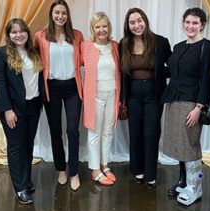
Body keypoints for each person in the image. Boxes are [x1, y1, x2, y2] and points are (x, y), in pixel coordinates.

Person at [161, 8, 210, 205]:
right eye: (187, 22)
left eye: (195, 23)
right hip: (174, 100)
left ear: (202, 25)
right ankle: (183, 180)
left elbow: (207, 80)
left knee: (191, 145)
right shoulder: (178, 46)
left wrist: (199, 107)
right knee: (179, 145)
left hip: (192, 103)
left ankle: (196, 186)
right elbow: (173, 72)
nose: (190, 26)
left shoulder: (207, 47)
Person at [0, 18, 44, 204]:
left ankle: (26, 180)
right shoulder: (1, 54)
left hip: (33, 106)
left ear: (27, 33)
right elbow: (0, 83)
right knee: (16, 146)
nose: (18, 35)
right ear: (9, 35)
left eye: (21, 31)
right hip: (13, 109)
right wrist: (7, 109)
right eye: (14, 32)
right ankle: (20, 188)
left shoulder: (34, 52)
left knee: (28, 145)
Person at [119, 8, 172, 189]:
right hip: (132, 95)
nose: (136, 25)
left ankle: (151, 173)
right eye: (132, 23)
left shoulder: (160, 42)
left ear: (145, 21)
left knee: (151, 133)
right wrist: (121, 98)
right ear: (128, 25)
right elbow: (121, 73)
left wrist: (160, 74)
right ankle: (138, 170)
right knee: (135, 133)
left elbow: (171, 66)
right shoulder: (124, 43)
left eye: (139, 21)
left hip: (153, 95)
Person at [34, 0, 84, 191]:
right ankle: (61, 169)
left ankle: (74, 172)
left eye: (63, 13)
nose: (60, 16)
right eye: (57, 12)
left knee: (72, 130)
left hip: (73, 88)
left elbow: (85, 58)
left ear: (67, 15)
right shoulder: (41, 36)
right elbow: (34, 60)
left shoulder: (77, 35)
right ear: (51, 14)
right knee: (56, 130)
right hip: (51, 88)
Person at [81, 12, 120, 185]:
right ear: (93, 29)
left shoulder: (115, 46)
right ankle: (95, 168)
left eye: (104, 26)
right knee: (95, 132)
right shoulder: (86, 46)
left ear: (109, 27)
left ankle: (105, 165)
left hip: (112, 94)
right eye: (98, 26)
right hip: (94, 96)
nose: (101, 29)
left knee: (108, 131)